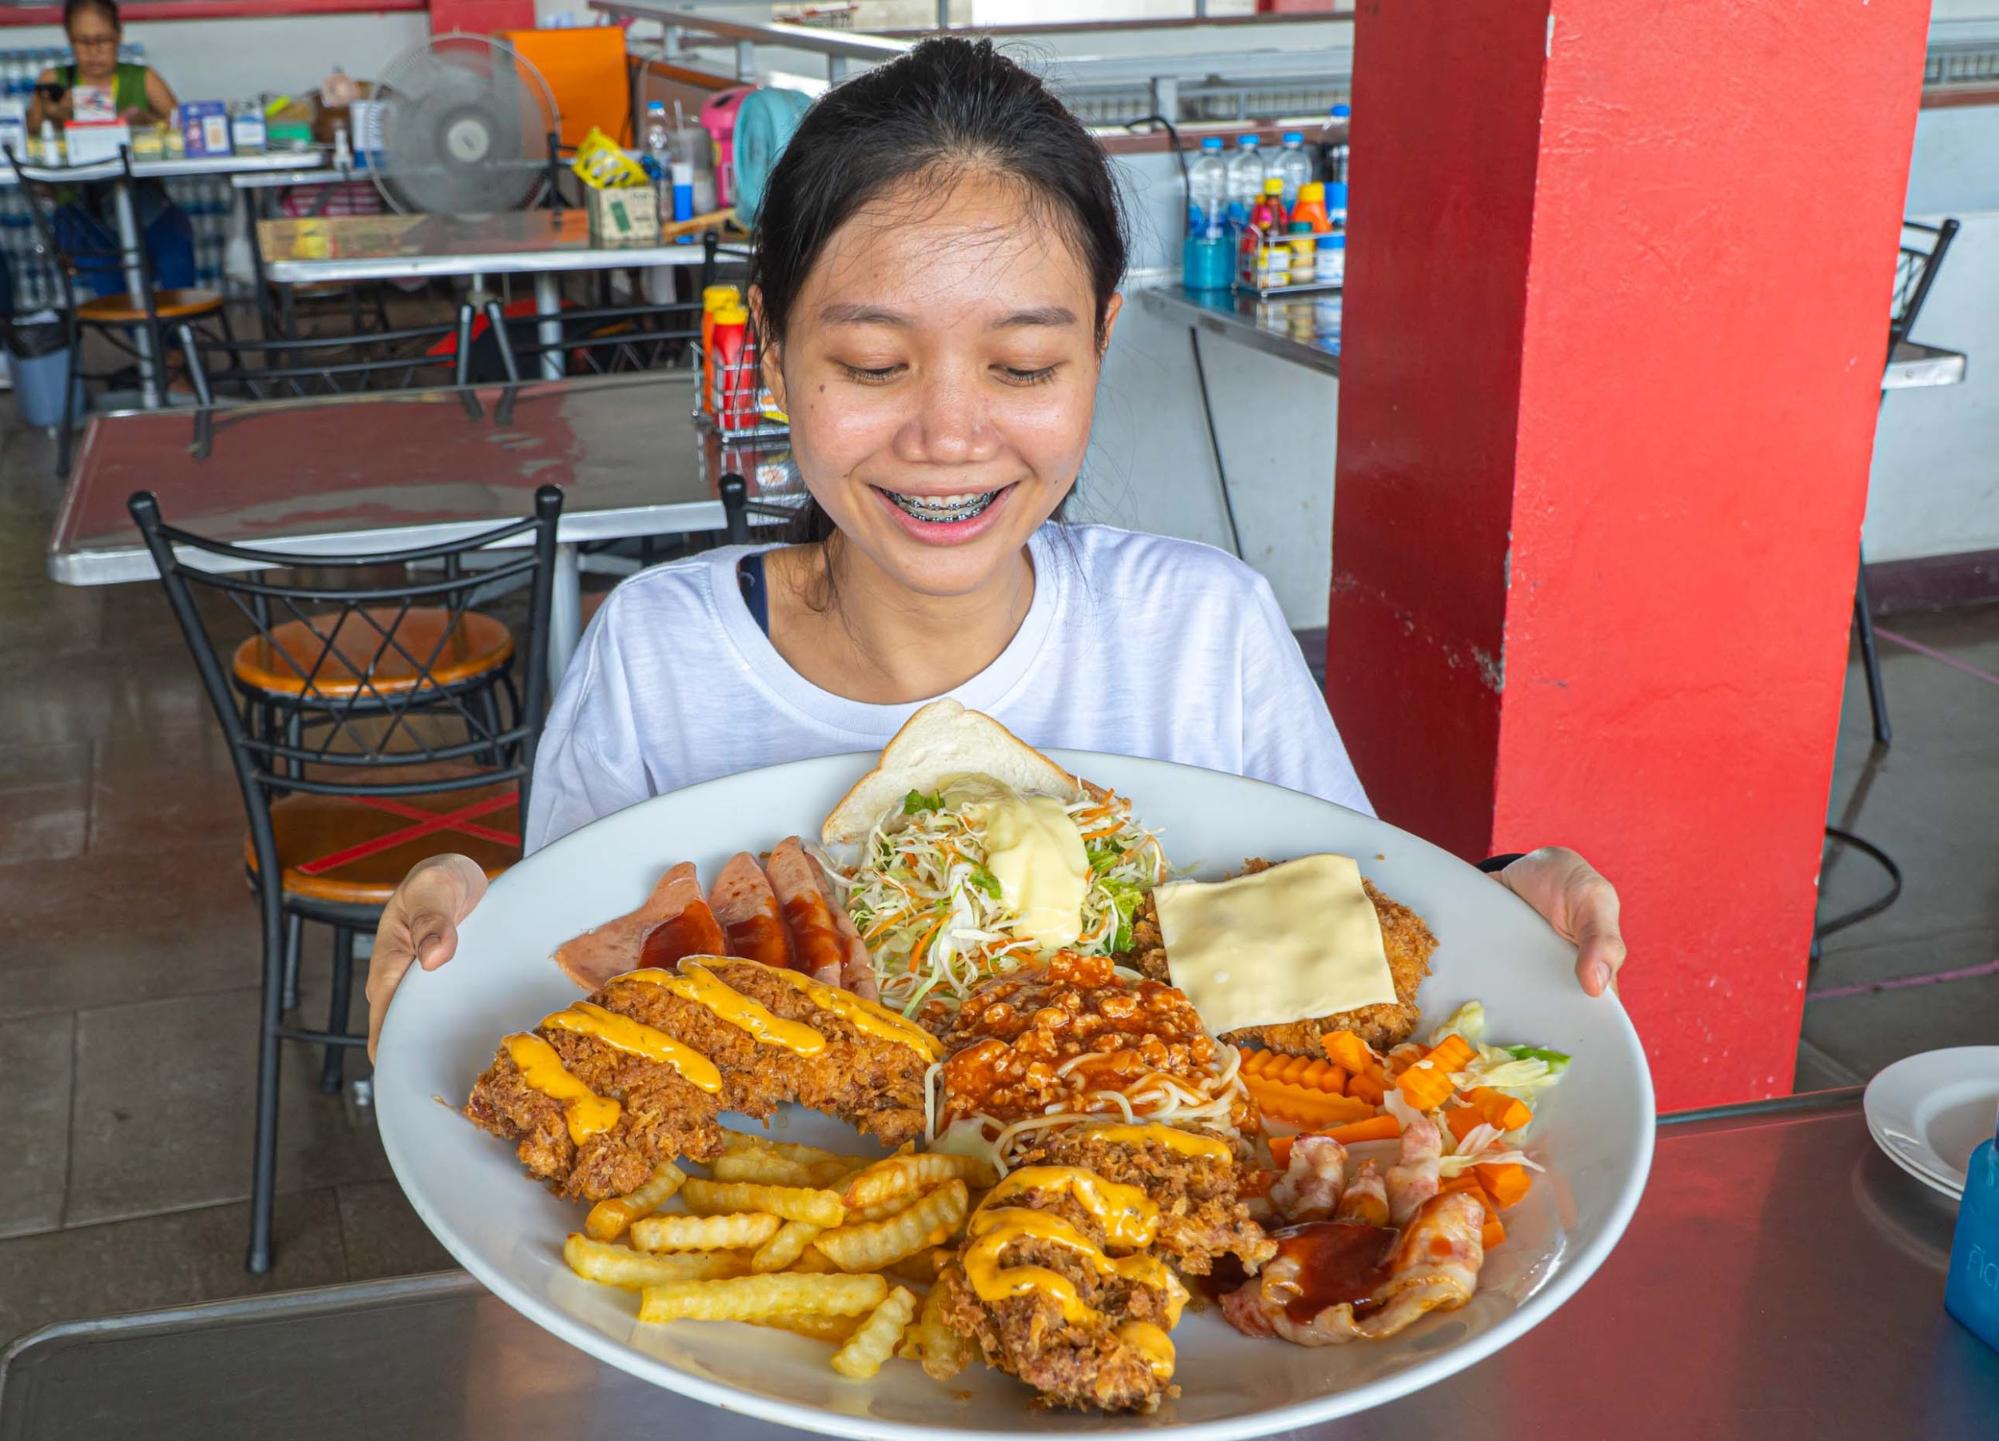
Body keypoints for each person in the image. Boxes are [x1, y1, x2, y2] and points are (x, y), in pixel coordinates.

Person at [362, 37, 1628, 1056]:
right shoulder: (658, 653)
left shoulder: (1204, 628)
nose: (950, 435)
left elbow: (1349, 937)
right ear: (774, 350)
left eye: (1022, 364)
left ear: (1097, 354)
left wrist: (1493, 906)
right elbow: (566, 1010)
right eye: (870, 363)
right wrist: (464, 961)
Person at [27, 0, 195, 297]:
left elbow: (187, 131)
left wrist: (148, 122)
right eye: (83, 41)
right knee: (106, 276)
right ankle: (156, 340)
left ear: (119, 36)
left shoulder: (142, 79)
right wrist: (53, 115)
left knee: (176, 250)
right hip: (78, 205)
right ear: (69, 40)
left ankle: (173, 334)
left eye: (102, 40)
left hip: (142, 197)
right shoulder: (54, 82)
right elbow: (30, 144)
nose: (93, 51)